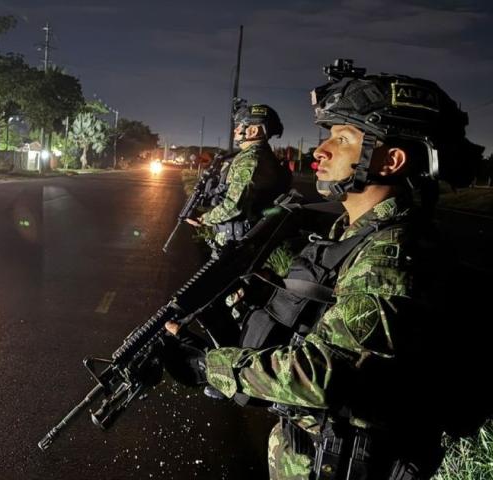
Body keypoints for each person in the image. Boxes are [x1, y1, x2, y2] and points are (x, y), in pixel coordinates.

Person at [164, 60, 484, 479]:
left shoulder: (393, 253)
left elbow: (321, 374)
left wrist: (212, 366)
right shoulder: (354, 232)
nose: (321, 150)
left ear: (389, 160)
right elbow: (324, 316)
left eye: (343, 138)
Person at [187, 100, 291, 249]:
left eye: (239, 126)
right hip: (242, 236)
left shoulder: (250, 159)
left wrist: (204, 219)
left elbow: (233, 206)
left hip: (238, 241)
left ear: (253, 131)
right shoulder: (257, 155)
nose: (235, 130)